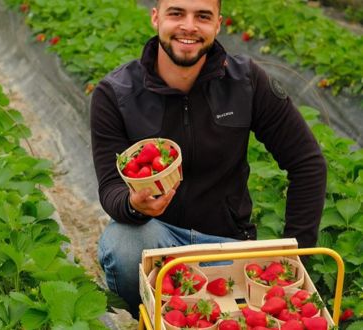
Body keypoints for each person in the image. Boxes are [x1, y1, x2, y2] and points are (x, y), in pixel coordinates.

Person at [90, 0, 327, 319]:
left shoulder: (246, 82)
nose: (189, 26)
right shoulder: (116, 93)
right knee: (123, 242)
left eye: (202, 16)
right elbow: (110, 187)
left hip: (227, 244)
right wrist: (134, 205)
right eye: (176, 13)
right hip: (157, 238)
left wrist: (294, 255)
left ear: (218, 24)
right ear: (155, 17)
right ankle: (150, 319)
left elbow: (307, 162)